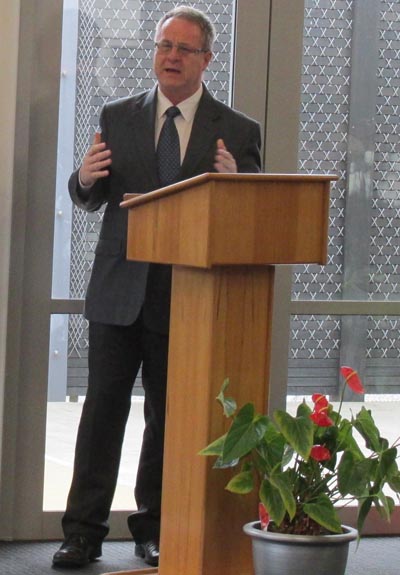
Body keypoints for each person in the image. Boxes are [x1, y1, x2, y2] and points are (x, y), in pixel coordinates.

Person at [52, 5, 261, 569]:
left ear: (206, 59)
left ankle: (156, 530)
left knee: (168, 421)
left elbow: (252, 221)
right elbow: (91, 197)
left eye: (183, 48)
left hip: (189, 299)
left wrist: (236, 187)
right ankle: (82, 533)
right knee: (101, 417)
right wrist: (84, 179)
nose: (169, 56)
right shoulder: (117, 116)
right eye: (163, 45)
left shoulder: (238, 131)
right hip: (118, 293)